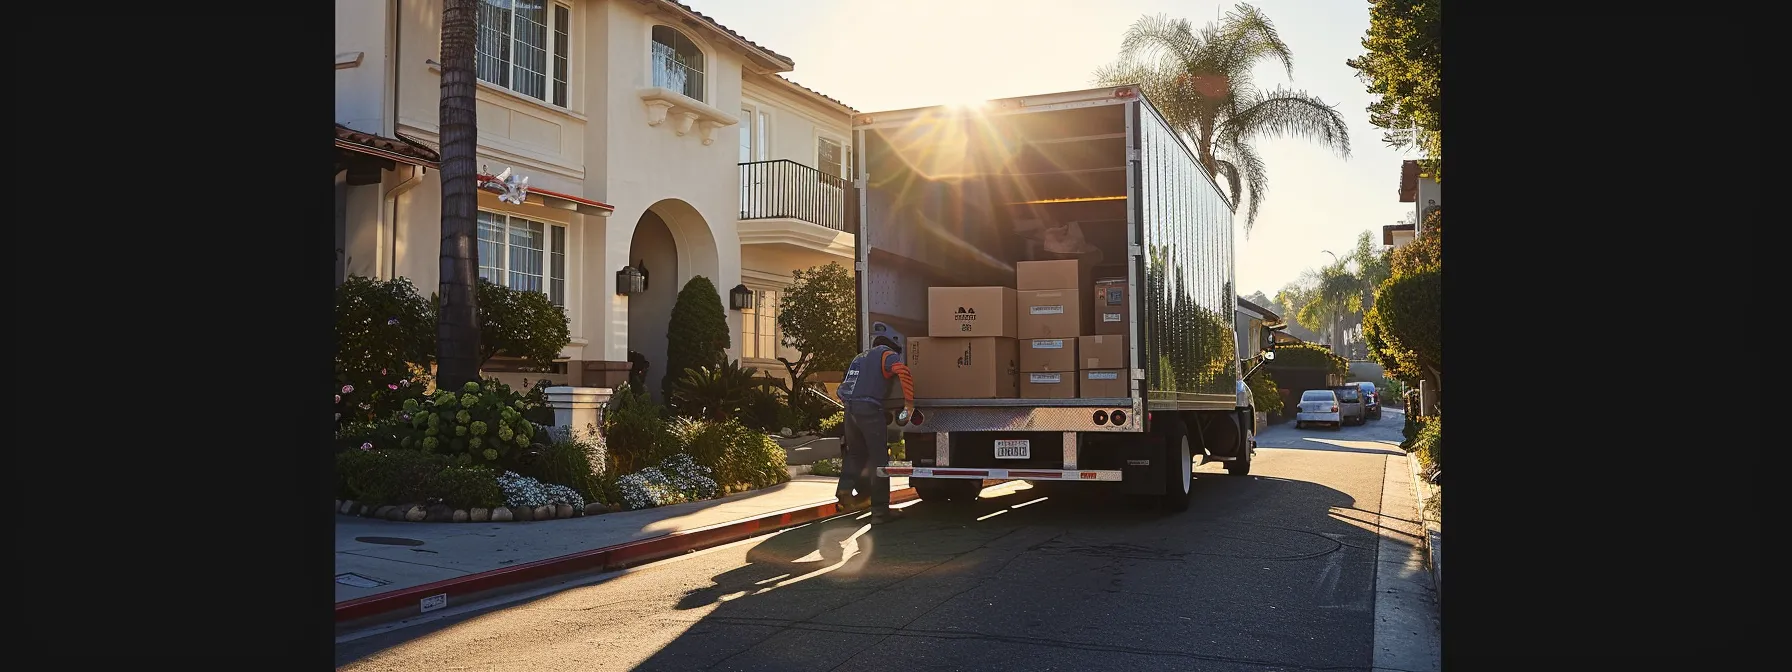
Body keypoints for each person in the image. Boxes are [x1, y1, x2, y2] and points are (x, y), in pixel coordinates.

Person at [833, 335, 915, 524]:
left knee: (856, 454)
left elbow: (842, 390)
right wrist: (908, 404)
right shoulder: (887, 355)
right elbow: (903, 372)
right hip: (869, 408)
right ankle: (880, 511)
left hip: (851, 409)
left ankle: (844, 489)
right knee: (880, 461)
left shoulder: (859, 358)